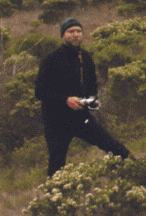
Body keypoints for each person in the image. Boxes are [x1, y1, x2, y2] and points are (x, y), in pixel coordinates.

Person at [35, 17, 130, 177]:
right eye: (70, 31)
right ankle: (55, 191)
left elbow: (92, 84)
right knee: (57, 165)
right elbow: (40, 92)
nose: (75, 34)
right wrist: (65, 100)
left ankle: (138, 174)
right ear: (63, 35)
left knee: (117, 149)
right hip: (56, 121)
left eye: (78, 31)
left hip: (81, 117)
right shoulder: (50, 59)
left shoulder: (85, 57)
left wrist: (92, 99)